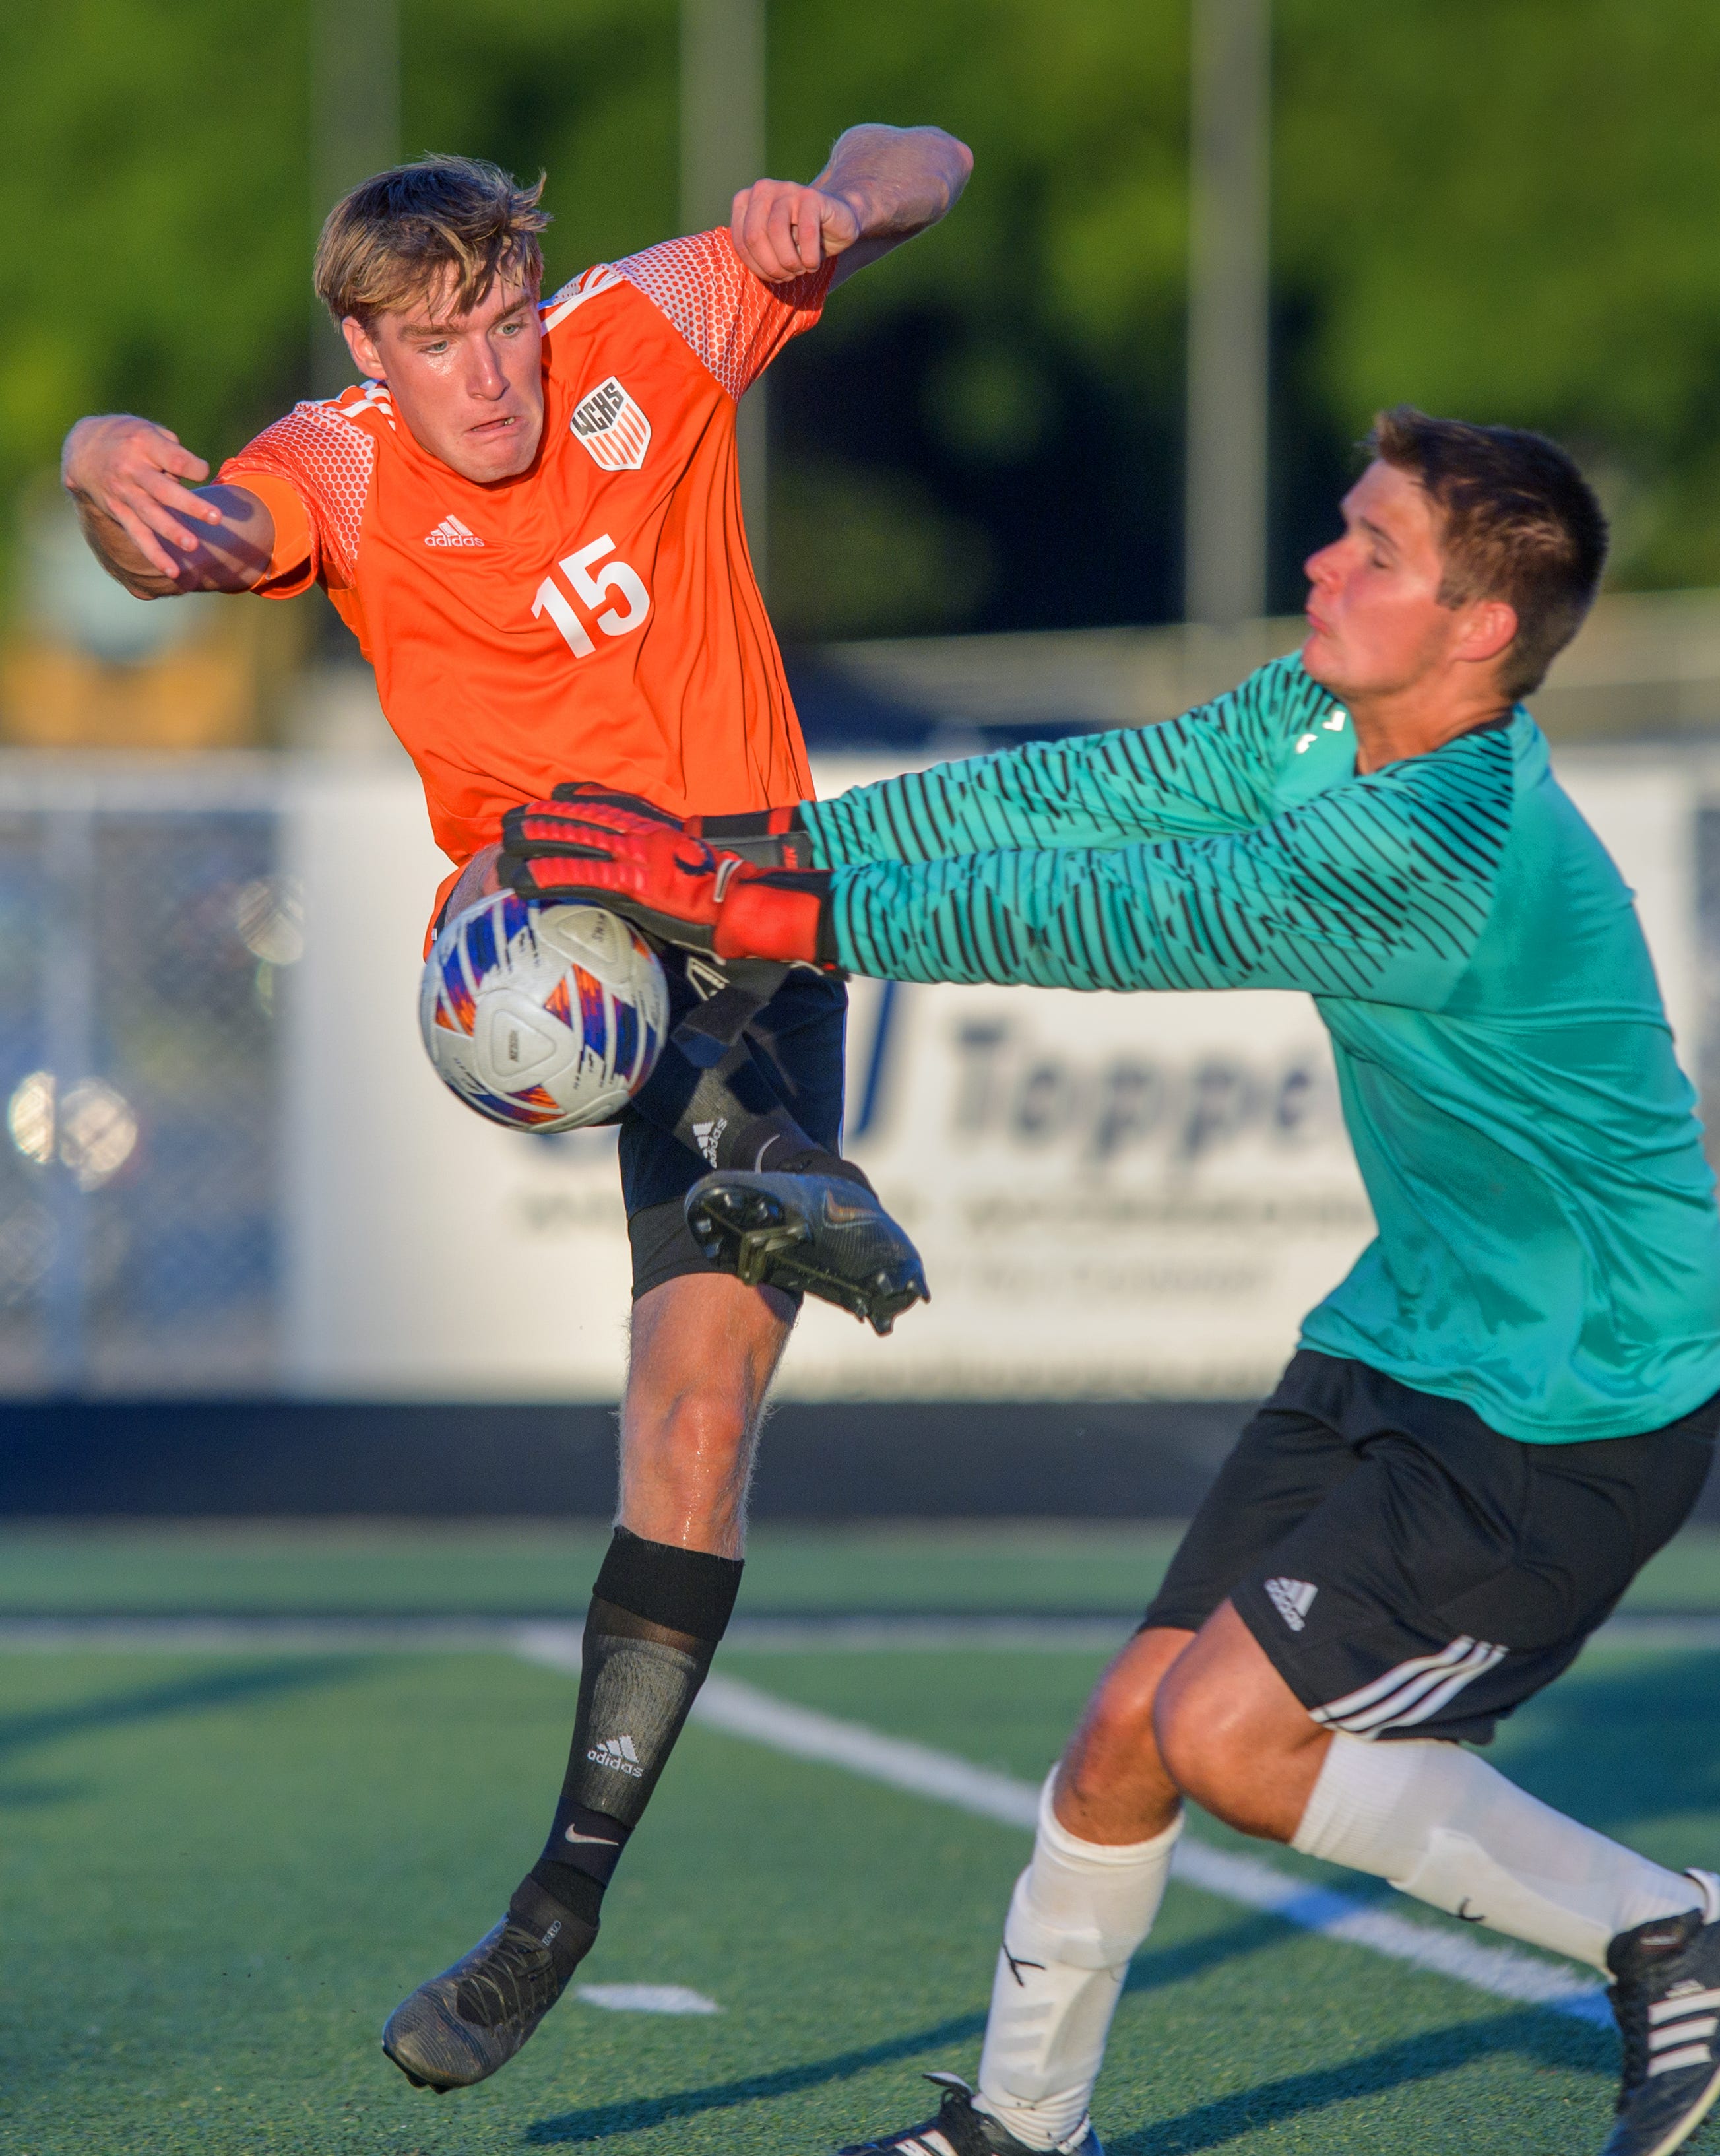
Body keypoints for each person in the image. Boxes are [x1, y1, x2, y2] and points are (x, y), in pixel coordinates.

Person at [501, 410, 1720, 2156]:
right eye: (1344, 528)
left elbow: (1120, 915)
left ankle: (1668, 1931)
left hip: (1580, 1395)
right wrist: (770, 861)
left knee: (1229, 1736)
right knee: (1126, 1736)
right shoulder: (1319, 718)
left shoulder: (1446, 850)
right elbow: (1072, 796)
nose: (1324, 560)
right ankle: (1018, 2129)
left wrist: (771, 915)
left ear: (1476, 631)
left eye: (1374, 551)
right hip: (1414, 1327)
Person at [59, 125, 969, 2091]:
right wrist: (94, 457)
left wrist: (849, 192)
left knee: (695, 1432)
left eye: (501, 320)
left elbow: (931, 152)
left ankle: (552, 1907)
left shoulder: (652, 321)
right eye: (438, 340)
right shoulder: (338, 467)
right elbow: (172, 530)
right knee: (560, 882)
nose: (490, 372)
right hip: (545, 930)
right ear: (366, 356)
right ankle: (754, 1146)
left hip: (765, 940)